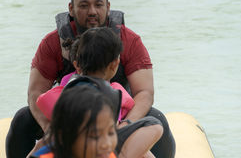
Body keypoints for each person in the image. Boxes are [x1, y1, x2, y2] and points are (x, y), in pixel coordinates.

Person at [6, 0, 175, 158]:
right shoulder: (53, 42)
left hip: (117, 116)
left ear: (108, 7)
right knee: (22, 119)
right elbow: (35, 93)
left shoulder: (129, 40)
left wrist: (123, 125)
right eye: (84, 5)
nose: (92, 11)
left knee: (158, 120)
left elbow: (145, 92)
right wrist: (52, 129)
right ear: (71, 8)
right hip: (67, 119)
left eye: (99, 4)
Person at [35, 27, 163, 158]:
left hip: (69, 143)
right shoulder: (111, 94)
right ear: (115, 64)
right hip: (96, 148)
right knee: (154, 123)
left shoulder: (68, 85)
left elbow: (42, 105)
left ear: (77, 65)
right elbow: (113, 127)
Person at [29, 85, 119, 158]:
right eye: (94, 136)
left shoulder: (106, 155)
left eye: (111, 133)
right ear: (63, 136)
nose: (107, 144)